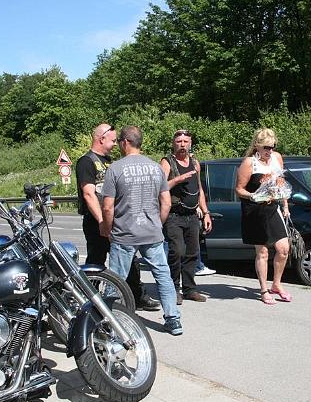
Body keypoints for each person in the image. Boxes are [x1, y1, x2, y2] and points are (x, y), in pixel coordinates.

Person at [101, 126, 183, 335]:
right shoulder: (156, 168)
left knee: (115, 280)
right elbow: (166, 202)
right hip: (152, 233)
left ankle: (110, 321)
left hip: (125, 233)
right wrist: (157, 224)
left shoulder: (115, 169)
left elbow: (108, 207)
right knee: (163, 276)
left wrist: (108, 230)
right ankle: (173, 319)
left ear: (125, 142)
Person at [75, 122, 161, 312]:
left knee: (130, 260)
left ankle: (137, 296)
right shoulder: (86, 162)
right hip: (97, 221)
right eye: (113, 140)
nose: (116, 144)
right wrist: (102, 221)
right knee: (96, 262)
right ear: (101, 138)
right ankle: (90, 301)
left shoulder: (110, 162)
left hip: (116, 220)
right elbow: (89, 194)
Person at [235, 128, 292, 305]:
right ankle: (264, 289)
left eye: (272, 146)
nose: (270, 150)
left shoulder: (277, 158)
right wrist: (253, 196)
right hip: (254, 210)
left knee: (283, 249)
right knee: (263, 251)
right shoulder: (250, 163)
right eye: (266, 147)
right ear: (257, 146)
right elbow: (239, 189)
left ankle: (276, 284)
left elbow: (280, 182)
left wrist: (285, 204)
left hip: (272, 207)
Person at [160, 130, 213, 304]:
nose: (182, 144)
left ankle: (190, 289)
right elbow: (160, 187)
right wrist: (177, 179)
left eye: (185, 141)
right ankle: (174, 289)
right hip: (174, 215)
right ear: (173, 143)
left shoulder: (195, 163)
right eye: (179, 141)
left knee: (193, 253)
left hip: (192, 215)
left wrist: (206, 213)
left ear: (190, 143)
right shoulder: (167, 162)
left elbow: (199, 190)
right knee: (176, 251)